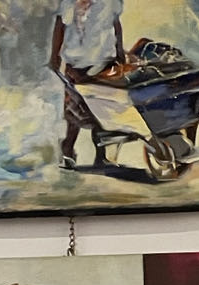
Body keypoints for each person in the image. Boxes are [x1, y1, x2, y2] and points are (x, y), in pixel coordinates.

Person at [50, 0, 125, 171]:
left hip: (104, 62)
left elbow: (116, 25)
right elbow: (60, 27)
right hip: (76, 64)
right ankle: (68, 149)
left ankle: (101, 155)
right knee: (75, 111)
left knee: (101, 111)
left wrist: (120, 53)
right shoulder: (68, 3)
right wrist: (54, 55)